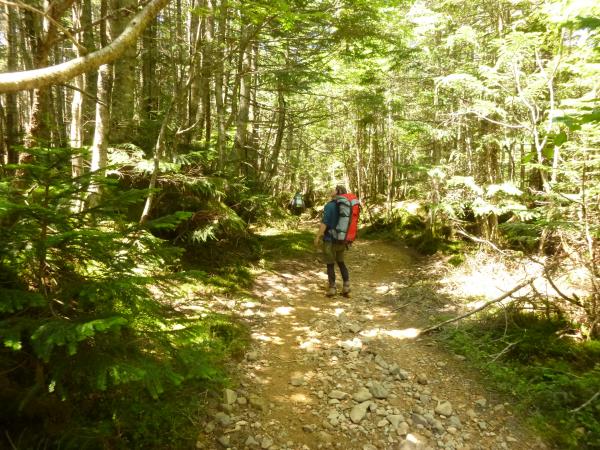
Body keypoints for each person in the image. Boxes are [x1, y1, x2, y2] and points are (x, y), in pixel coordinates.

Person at [314, 185, 351, 297]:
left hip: (329, 239)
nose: (332, 190)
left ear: (337, 192)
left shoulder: (329, 206)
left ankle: (332, 288)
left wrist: (318, 236)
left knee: (330, 264)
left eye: (334, 189)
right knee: (341, 262)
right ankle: (346, 286)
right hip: (341, 239)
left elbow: (325, 223)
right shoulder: (346, 206)